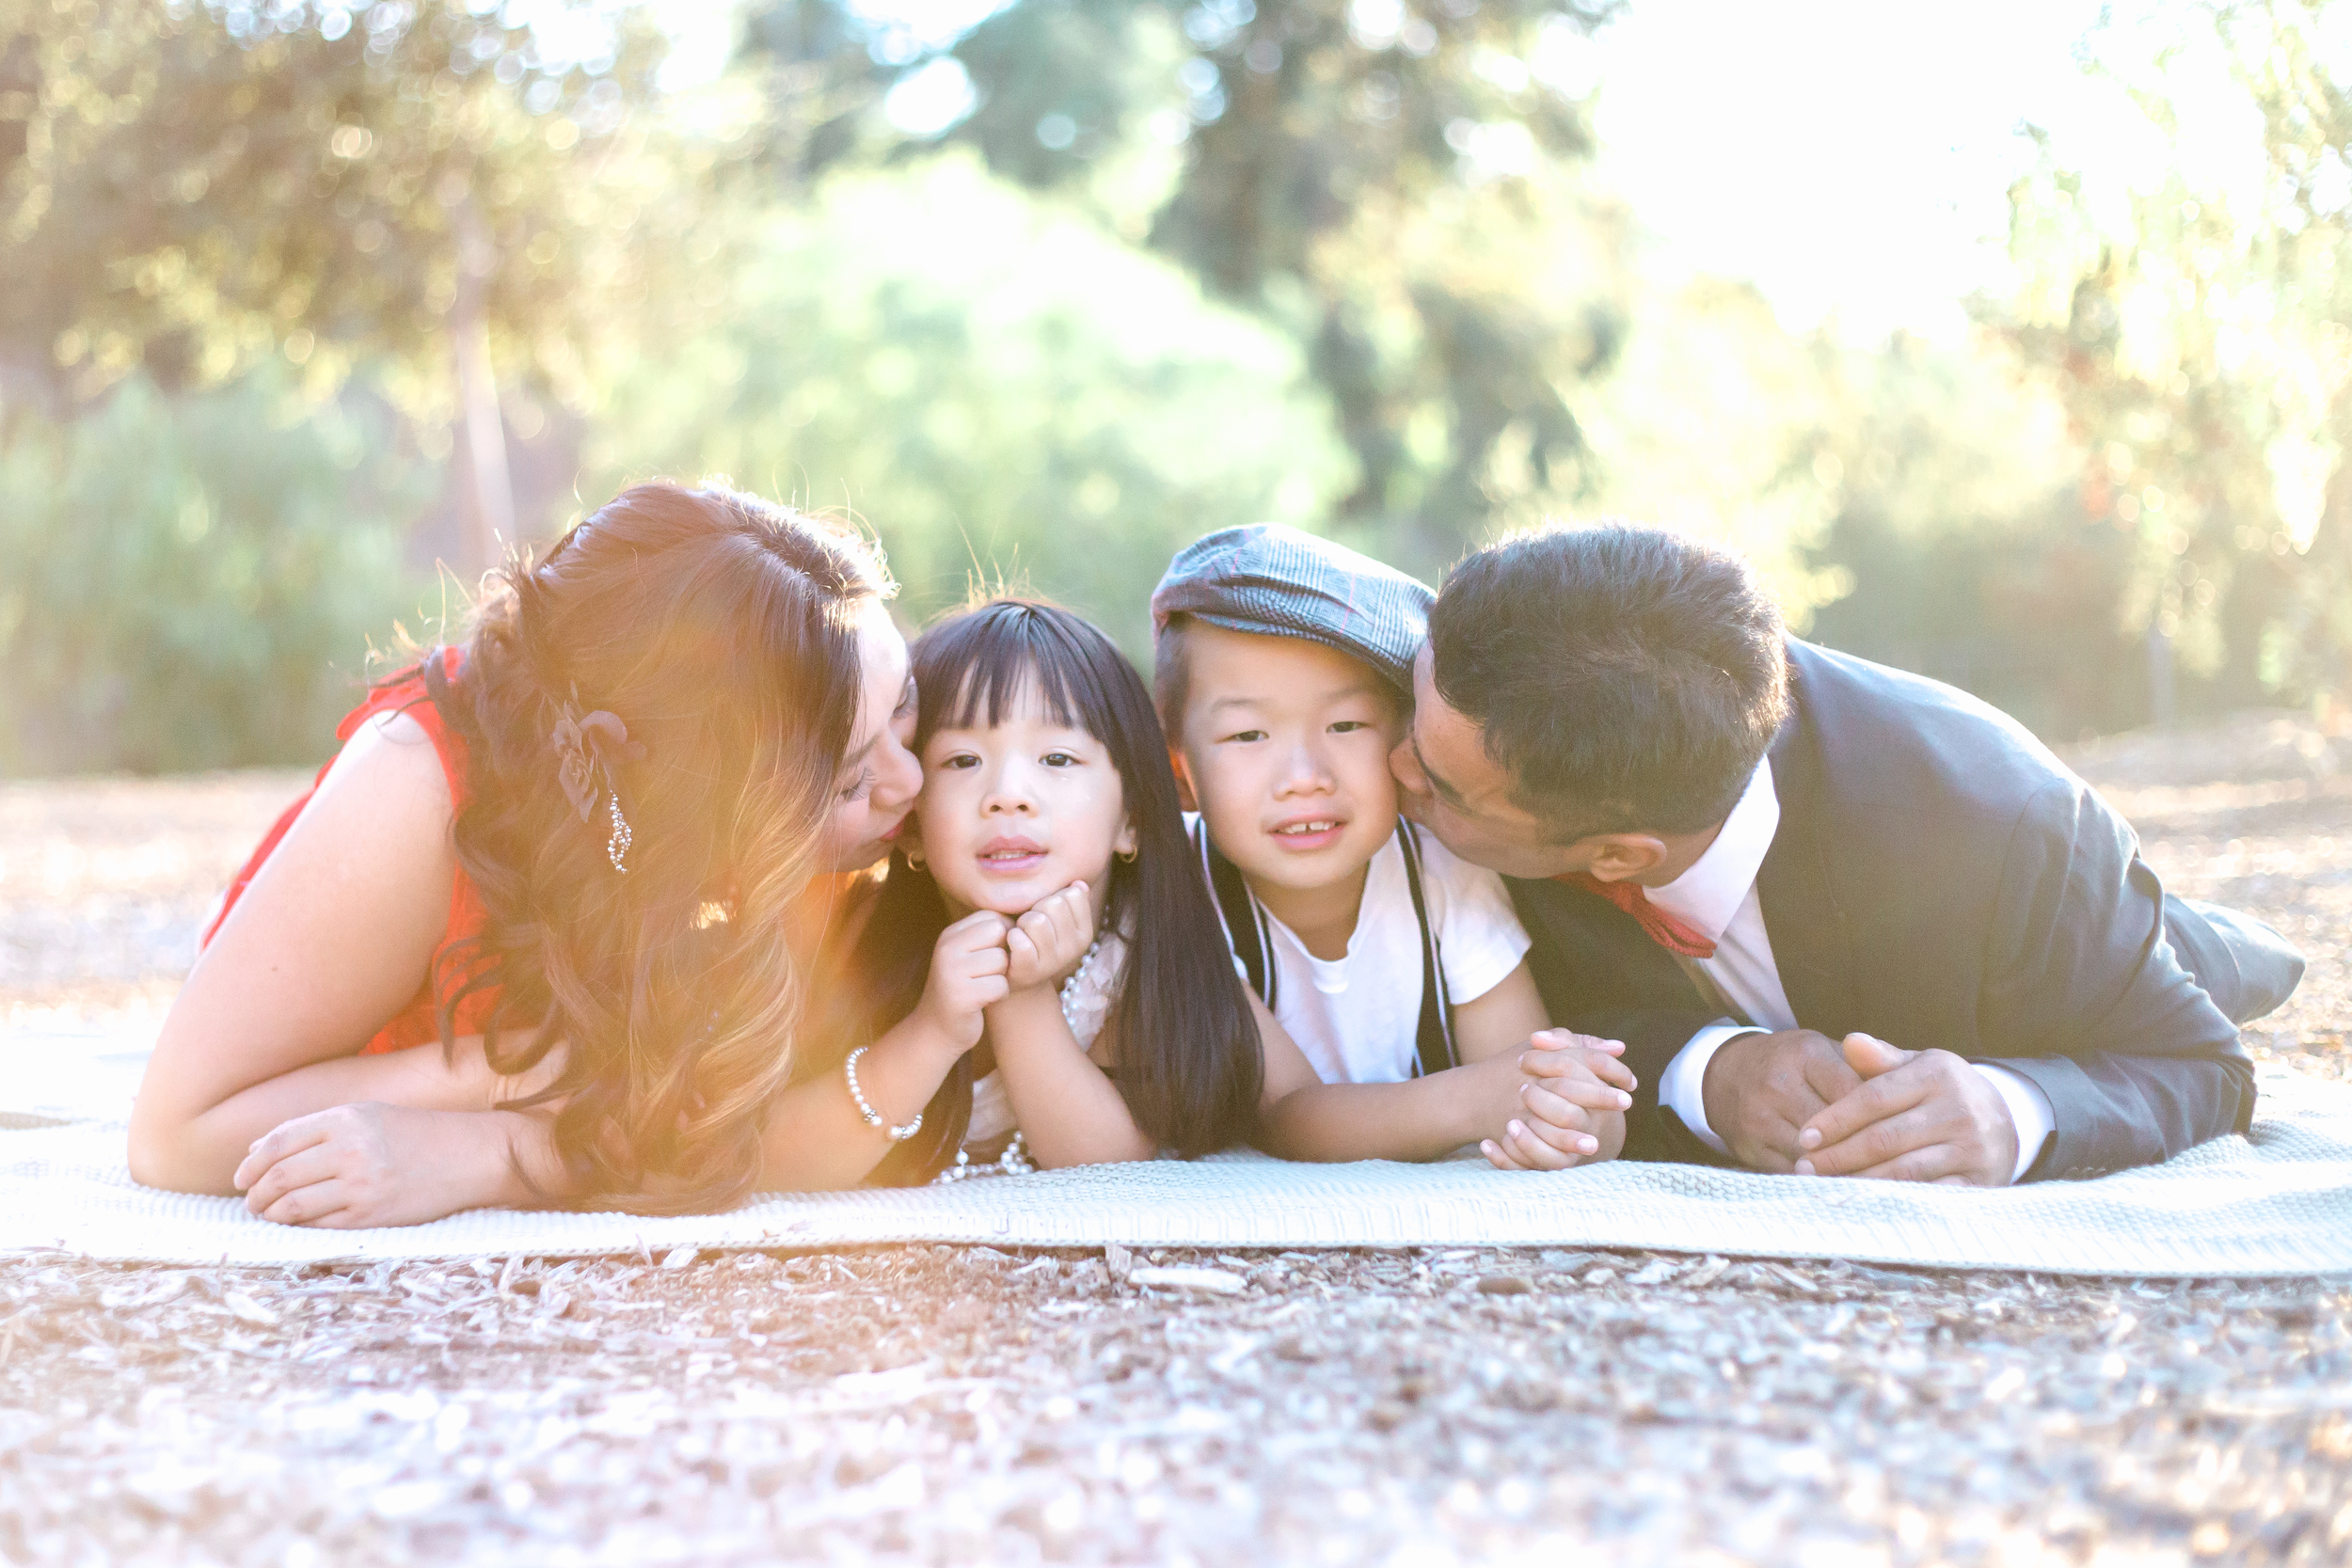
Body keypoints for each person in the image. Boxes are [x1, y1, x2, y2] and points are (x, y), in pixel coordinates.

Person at [1391, 523, 2306, 1185]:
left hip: (2022, 948)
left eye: (1438, 782)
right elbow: (1561, 1001)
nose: (1392, 769)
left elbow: (2203, 1066)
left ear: (1616, 854)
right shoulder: (1539, 708)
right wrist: (1709, 1069)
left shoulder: (2003, 833)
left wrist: (2010, 1110)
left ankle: (2211, 944)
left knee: (2161, 961)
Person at [127, 481, 923, 1226]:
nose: (910, 779)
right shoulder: (418, 792)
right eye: (850, 780)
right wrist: (520, 1075)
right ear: (689, 811)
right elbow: (175, 1135)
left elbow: (731, 1131)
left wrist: (509, 1151)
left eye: (906, 707)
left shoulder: (898, 812)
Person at [1150, 525, 1637, 1169]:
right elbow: (1286, 1115)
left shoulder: (1443, 871)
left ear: (1409, 744)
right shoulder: (1177, 888)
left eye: (1345, 724)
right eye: (1248, 735)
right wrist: (1477, 1099)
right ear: (1179, 765)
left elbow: (1525, 1061)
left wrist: (1573, 1111)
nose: (1303, 775)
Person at [803, 596, 1326, 1187]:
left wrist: (1021, 996)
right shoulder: (851, 944)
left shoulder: (1141, 958)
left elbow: (1105, 1173)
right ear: (915, 827)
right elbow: (776, 1160)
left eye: (1057, 757)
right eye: (963, 759)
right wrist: (933, 1029)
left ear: (1132, 817)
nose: (1008, 793)